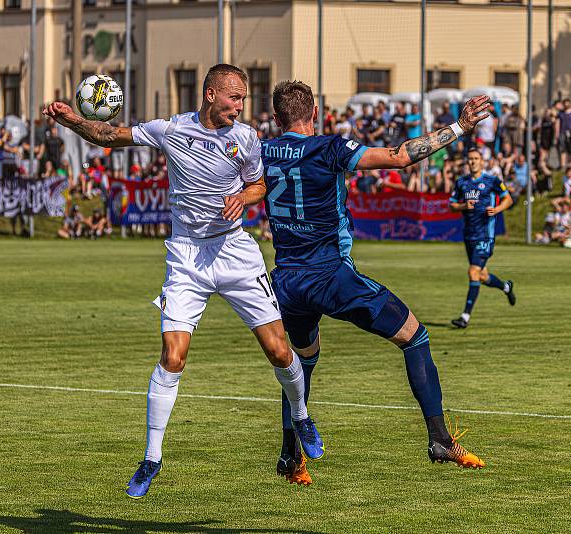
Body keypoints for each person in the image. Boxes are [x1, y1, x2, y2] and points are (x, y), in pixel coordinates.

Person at [43, 64, 323, 499]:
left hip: (234, 252)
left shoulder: (246, 139)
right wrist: (73, 120)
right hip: (188, 256)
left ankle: (302, 415)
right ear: (211, 94)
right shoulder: (171, 129)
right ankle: (152, 457)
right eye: (235, 98)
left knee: (279, 350)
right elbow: (110, 136)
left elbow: (259, 186)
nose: (241, 106)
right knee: (173, 358)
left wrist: (241, 197)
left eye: (244, 99)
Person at [261, 81, 490, 486]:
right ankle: (439, 439)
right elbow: (400, 157)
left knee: (300, 365)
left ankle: (289, 456)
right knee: (415, 336)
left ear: (278, 119)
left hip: (286, 282)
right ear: (315, 113)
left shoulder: (263, 150)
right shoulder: (329, 148)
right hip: (329, 274)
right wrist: (460, 127)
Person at [449, 148, 516, 328]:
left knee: (473, 272)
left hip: (485, 235)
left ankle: (465, 317)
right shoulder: (461, 182)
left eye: (476, 159)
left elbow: (508, 199)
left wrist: (497, 210)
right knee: (482, 275)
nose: (472, 162)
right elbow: (452, 205)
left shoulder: (492, 181)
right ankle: (506, 287)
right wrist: (464, 205)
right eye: (470, 159)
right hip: (469, 235)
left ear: (482, 161)